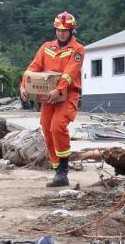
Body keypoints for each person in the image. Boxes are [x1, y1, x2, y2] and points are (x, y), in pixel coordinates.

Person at [20, 12, 85, 188]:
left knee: (57, 127)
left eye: (65, 30)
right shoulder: (47, 48)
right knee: (47, 130)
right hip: (48, 98)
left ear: (72, 30)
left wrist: (60, 88)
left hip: (67, 95)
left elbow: (71, 72)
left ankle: (63, 169)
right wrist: (23, 85)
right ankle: (58, 171)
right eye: (58, 30)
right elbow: (32, 68)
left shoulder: (77, 49)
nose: (61, 33)